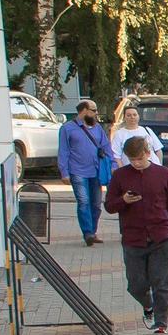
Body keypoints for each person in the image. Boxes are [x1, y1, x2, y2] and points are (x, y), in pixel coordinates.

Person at [103, 133, 168, 333]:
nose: (137, 163)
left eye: (140, 158)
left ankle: (161, 323)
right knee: (136, 284)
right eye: (132, 160)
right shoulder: (120, 176)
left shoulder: (163, 174)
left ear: (148, 153)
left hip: (162, 234)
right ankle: (148, 305)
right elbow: (109, 206)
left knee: (162, 283)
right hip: (133, 238)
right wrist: (123, 201)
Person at [59, 99, 113, 245]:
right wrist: (64, 172)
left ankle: (93, 231)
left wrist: (112, 163)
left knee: (95, 204)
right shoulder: (67, 128)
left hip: (96, 171)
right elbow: (63, 151)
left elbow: (106, 146)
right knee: (83, 201)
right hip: (77, 171)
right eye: (93, 110)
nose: (96, 113)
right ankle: (87, 233)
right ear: (84, 111)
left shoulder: (97, 128)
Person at [108, 101, 163, 171]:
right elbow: (116, 156)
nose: (132, 117)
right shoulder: (119, 134)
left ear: (138, 116)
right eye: (129, 115)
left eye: (134, 115)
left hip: (152, 169)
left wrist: (159, 167)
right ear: (124, 117)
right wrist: (122, 171)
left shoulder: (147, 130)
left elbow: (158, 150)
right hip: (131, 170)